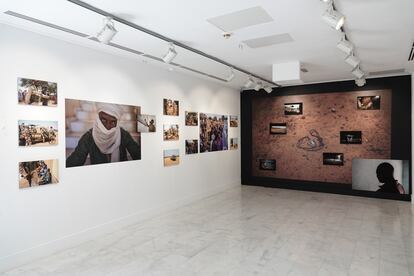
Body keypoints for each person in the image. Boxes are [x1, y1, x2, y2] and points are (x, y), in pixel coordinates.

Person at [66, 103, 141, 167]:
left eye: (112, 122)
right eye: (104, 120)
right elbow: (76, 159)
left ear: (117, 123)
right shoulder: (88, 137)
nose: (108, 127)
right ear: (98, 119)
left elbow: (137, 154)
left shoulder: (123, 135)